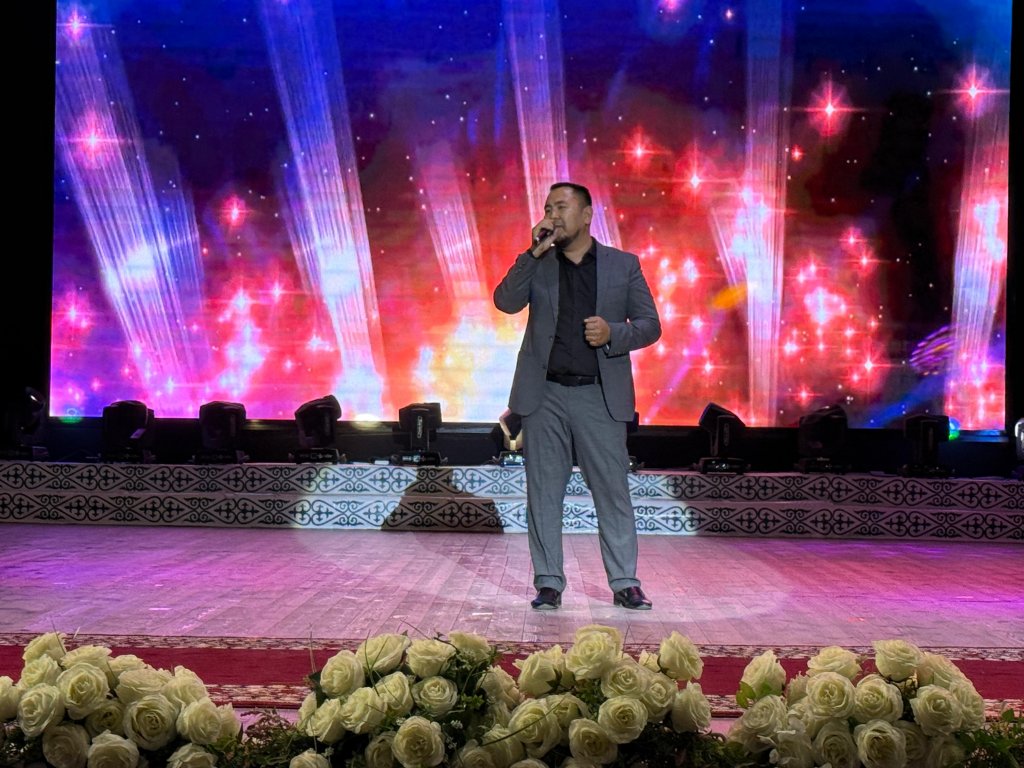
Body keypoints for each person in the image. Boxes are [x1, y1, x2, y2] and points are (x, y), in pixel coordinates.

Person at [493, 182, 662, 610]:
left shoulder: (623, 265)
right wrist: (532, 253)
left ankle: (625, 582)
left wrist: (613, 333)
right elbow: (505, 302)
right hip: (544, 395)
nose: (552, 215)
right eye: (548, 207)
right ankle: (548, 582)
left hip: (599, 396)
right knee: (543, 492)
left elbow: (650, 325)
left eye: (561, 207)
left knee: (612, 490)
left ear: (586, 215)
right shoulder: (539, 263)